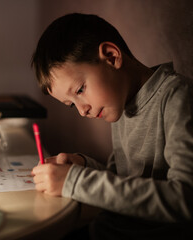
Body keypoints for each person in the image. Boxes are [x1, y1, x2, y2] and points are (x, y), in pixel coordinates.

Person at [31, 13, 193, 239]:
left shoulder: (177, 97)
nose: (82, 110)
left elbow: (185, 200)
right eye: (71, 105)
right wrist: (82, 165)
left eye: (79, 91)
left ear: (111, 56)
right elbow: (121, 184)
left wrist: (75, 181)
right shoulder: (119, 102)